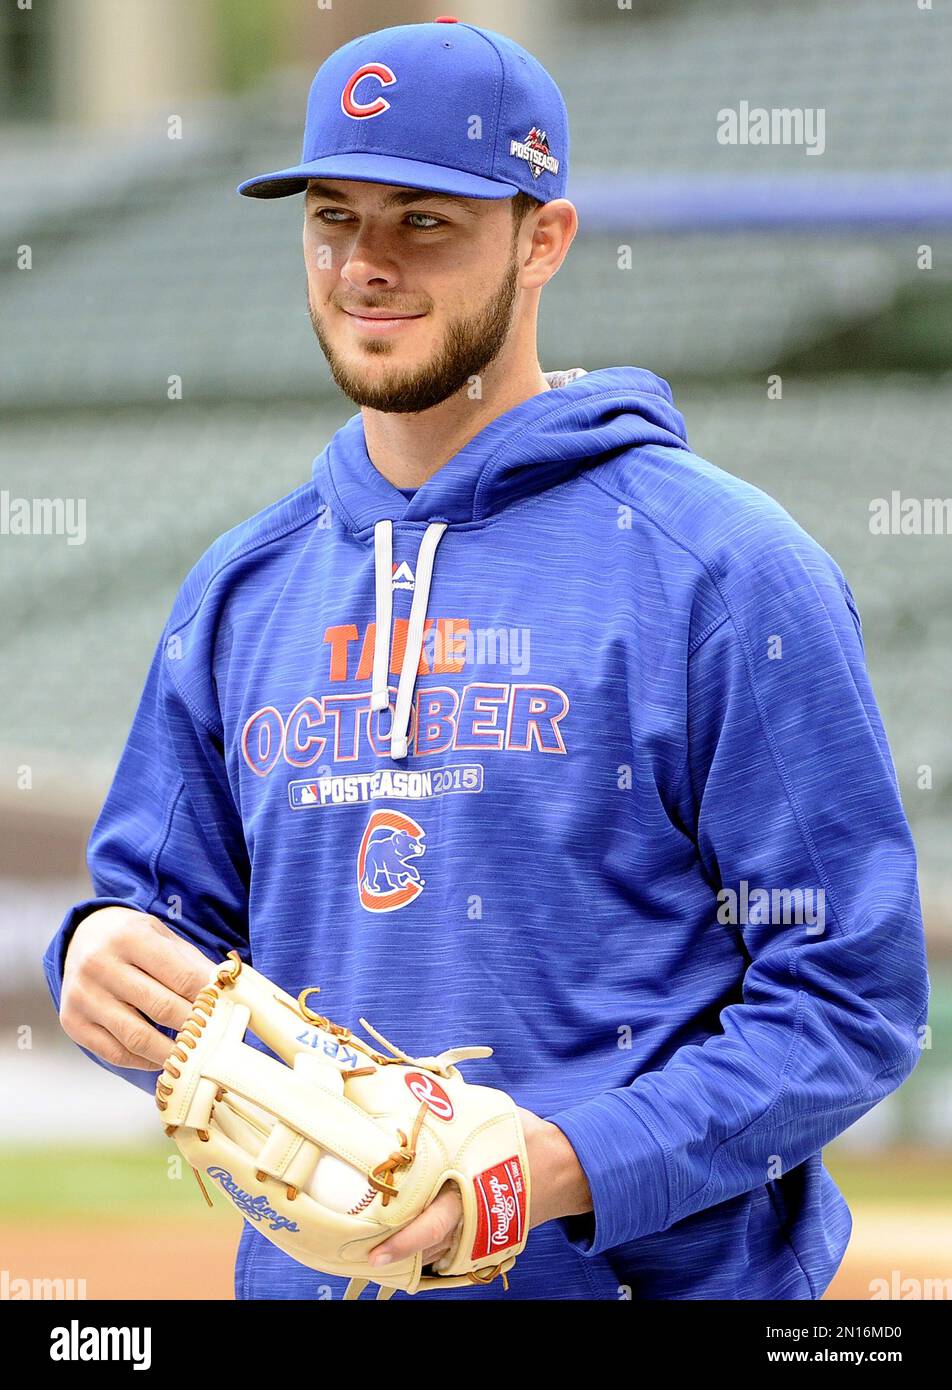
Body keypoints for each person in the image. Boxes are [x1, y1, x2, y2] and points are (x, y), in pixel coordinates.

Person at [46, 18, 929, 1300]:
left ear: (543, 240)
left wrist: (552, 1165)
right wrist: (98, 956)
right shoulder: (239, 591)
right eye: (333, 217)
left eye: (424, 221)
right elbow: (161, 928)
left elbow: (849, 997)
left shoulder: (724, 568)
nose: (365, 264)